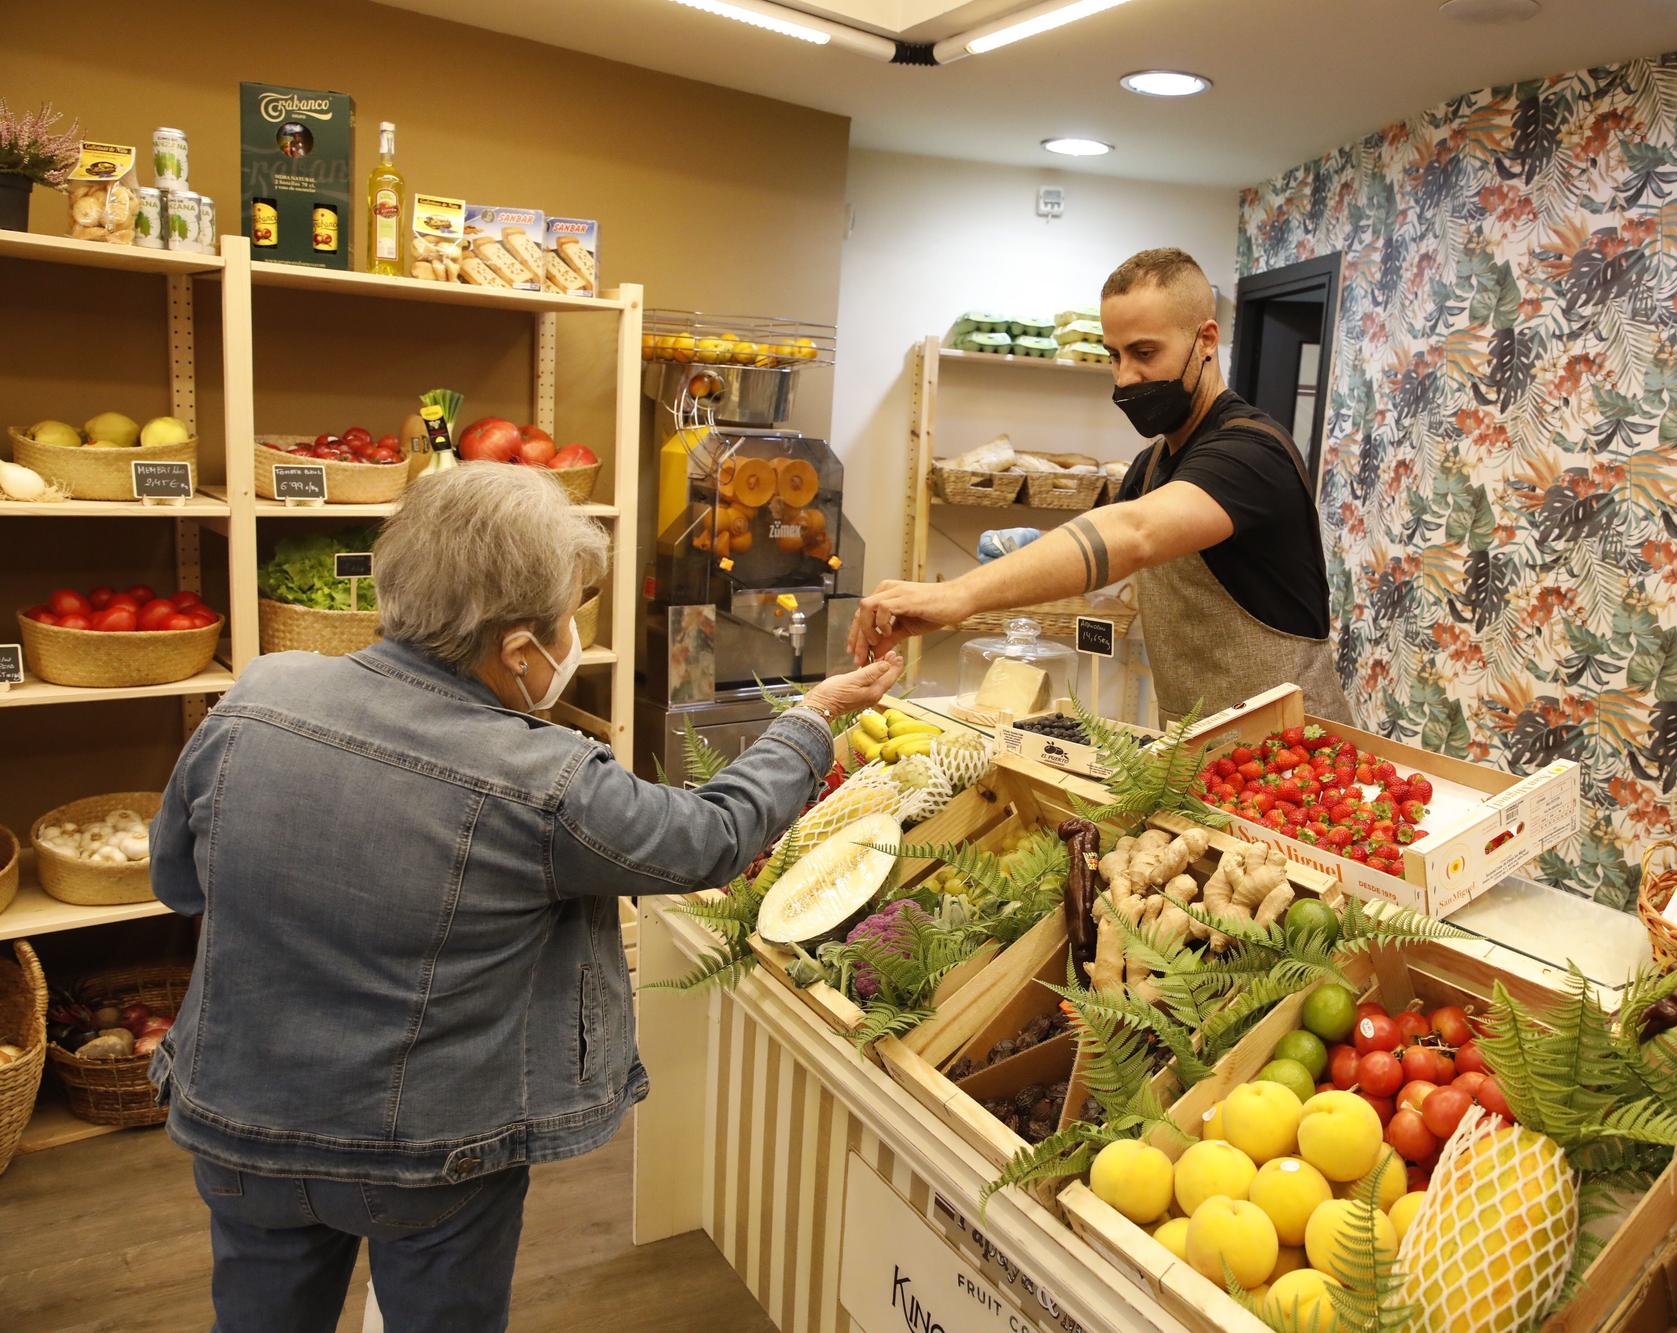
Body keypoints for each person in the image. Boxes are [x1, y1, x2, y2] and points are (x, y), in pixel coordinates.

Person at [146, 463, 901, 1333]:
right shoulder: (542, 779)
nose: (572, 637)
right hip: (428, 1154)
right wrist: (810, 718)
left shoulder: (255, 698)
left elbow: (178, 881)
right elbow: (712, 836)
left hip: (240, 1123)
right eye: (570, 615)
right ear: (517, 648)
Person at [850, 247, 1351, 724]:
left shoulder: (1250, 453)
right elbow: (1099, 550)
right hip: (1197, 742)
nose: (1126, 377)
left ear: (1206, 340)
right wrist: (1028, 556)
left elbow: (1132, 534)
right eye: (1114, 355)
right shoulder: (1152, 464)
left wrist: (958, 596)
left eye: (1144, 352)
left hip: (1296, 756)